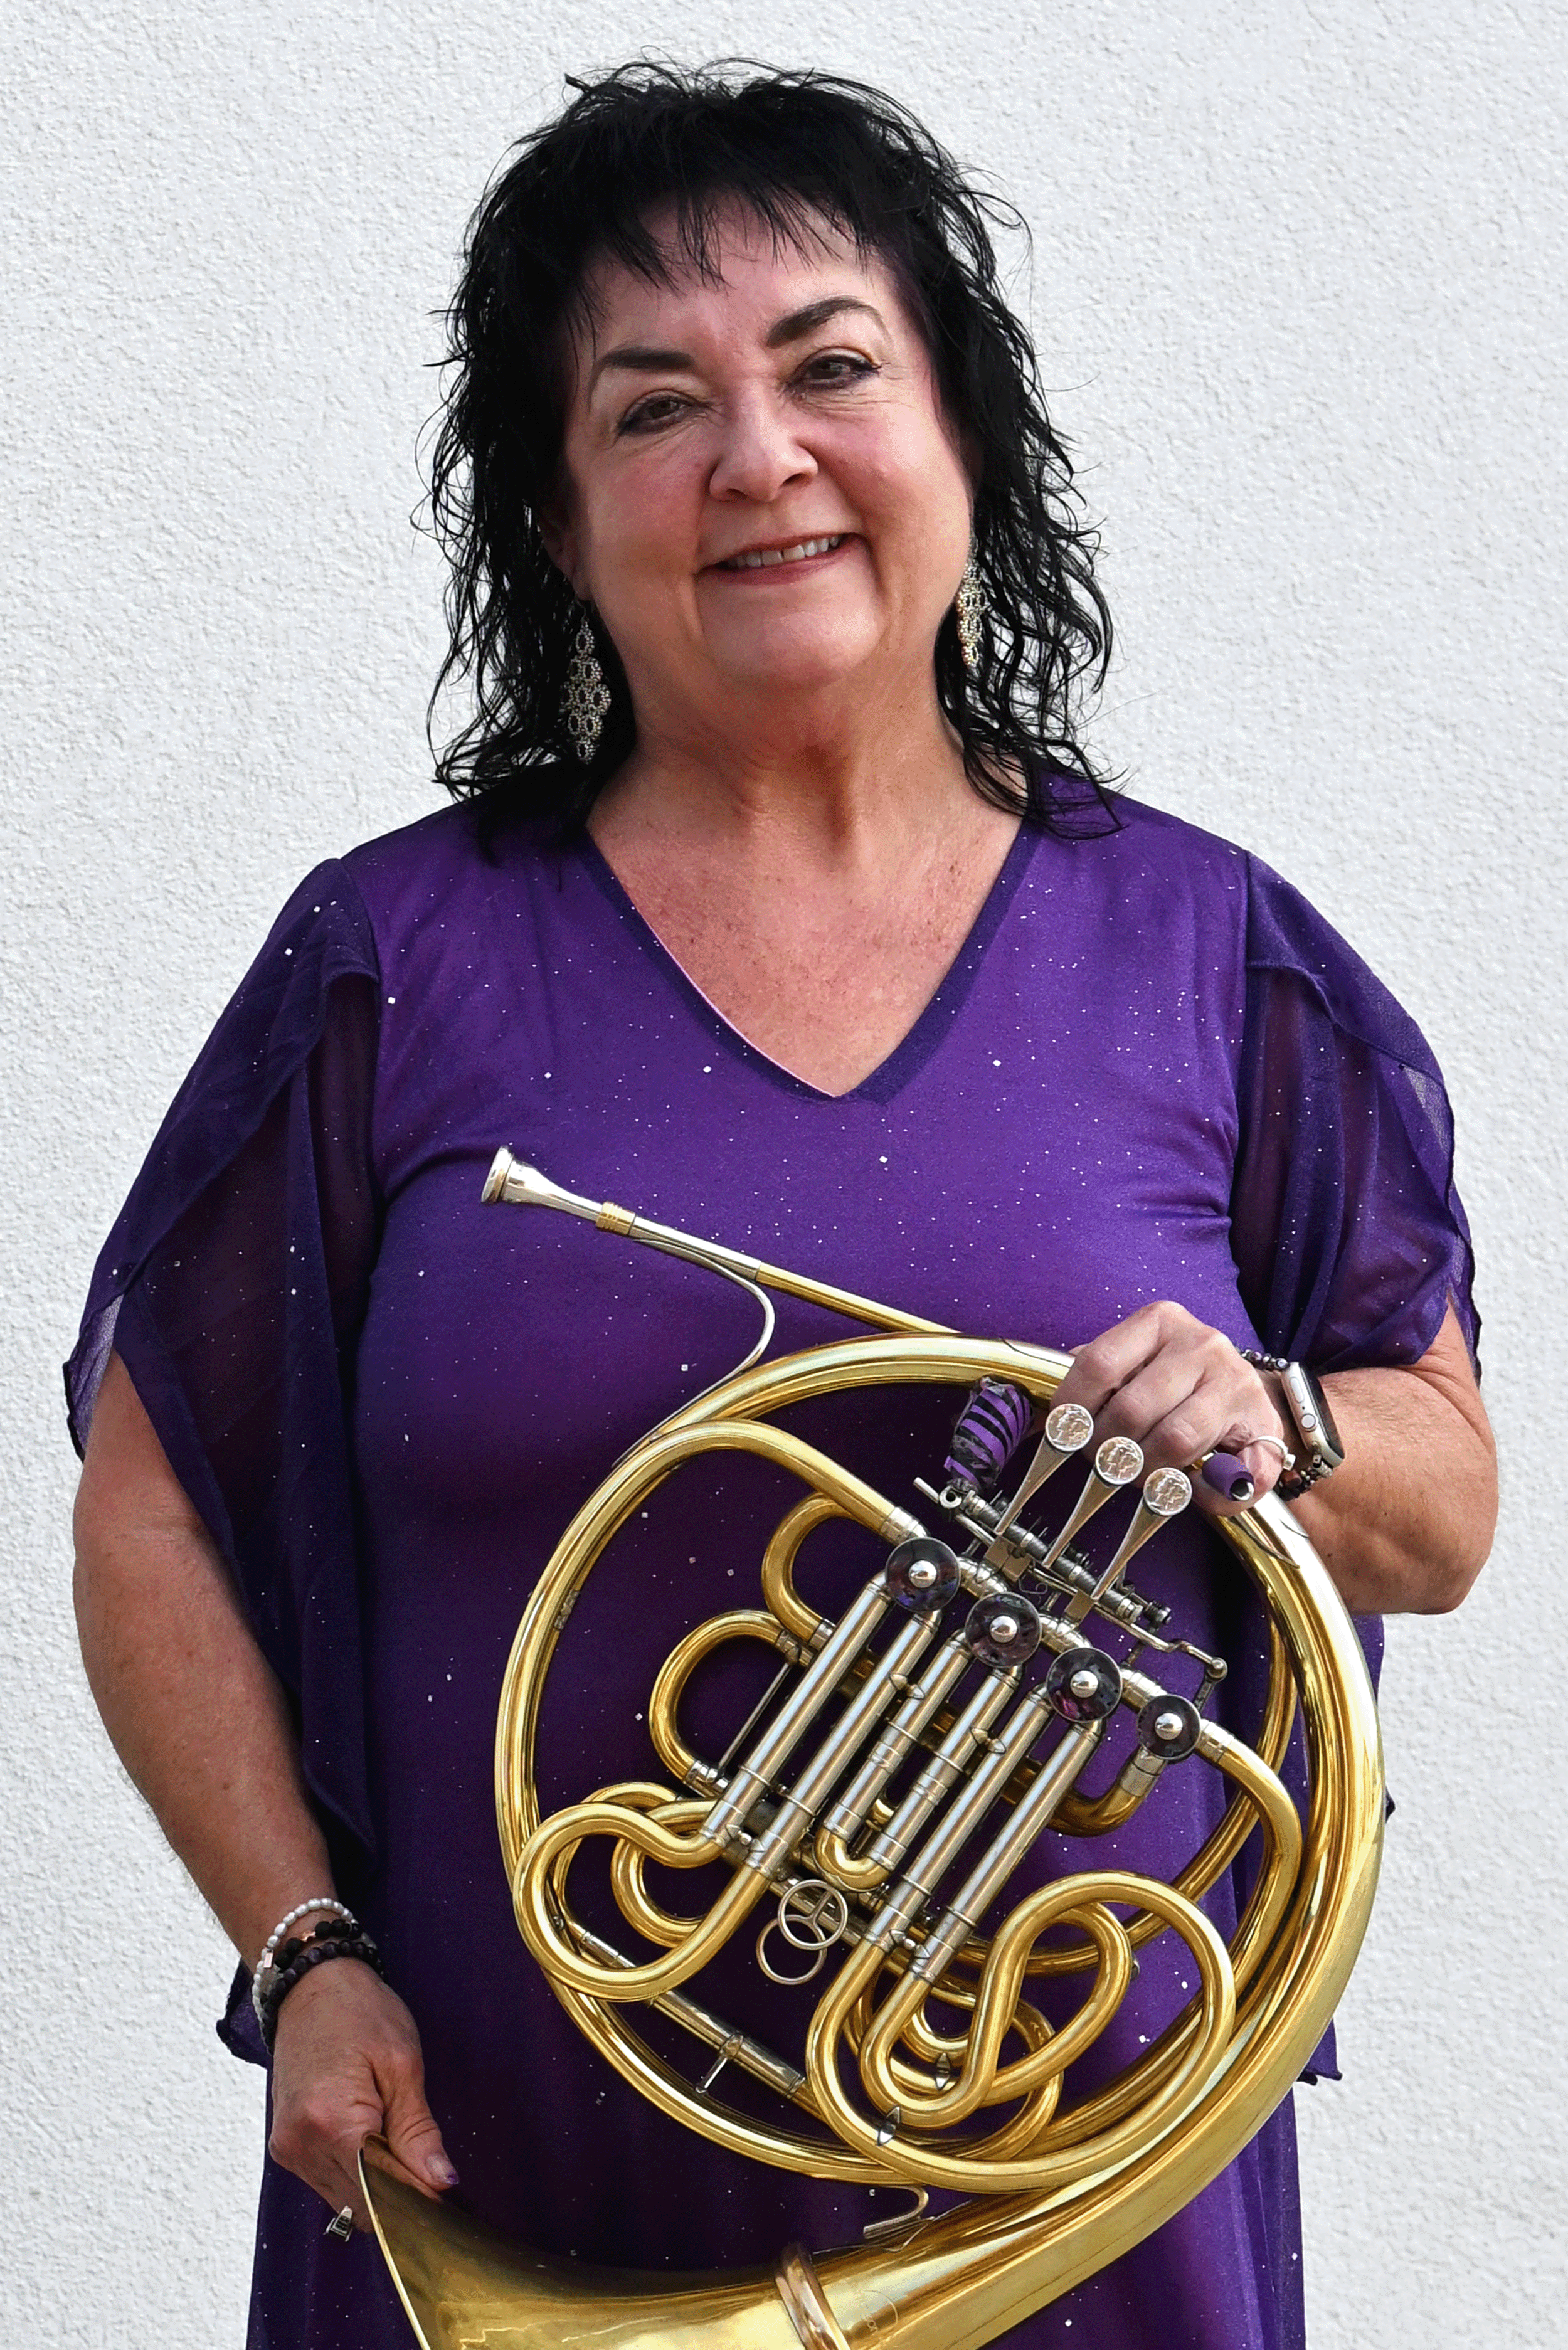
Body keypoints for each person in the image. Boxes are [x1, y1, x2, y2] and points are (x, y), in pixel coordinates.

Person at [68, 63, 1496, 2350]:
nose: (758, 458)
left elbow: (1440, 1503)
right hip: (503, 2142)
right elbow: (151, 1511)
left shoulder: (1211, 958)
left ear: (959, 437)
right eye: (653, 407)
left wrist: (1283, 1431)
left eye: (833, 367)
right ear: (555, 515)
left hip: (1064, 2172)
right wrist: (296, 1949)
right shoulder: (393, 960)